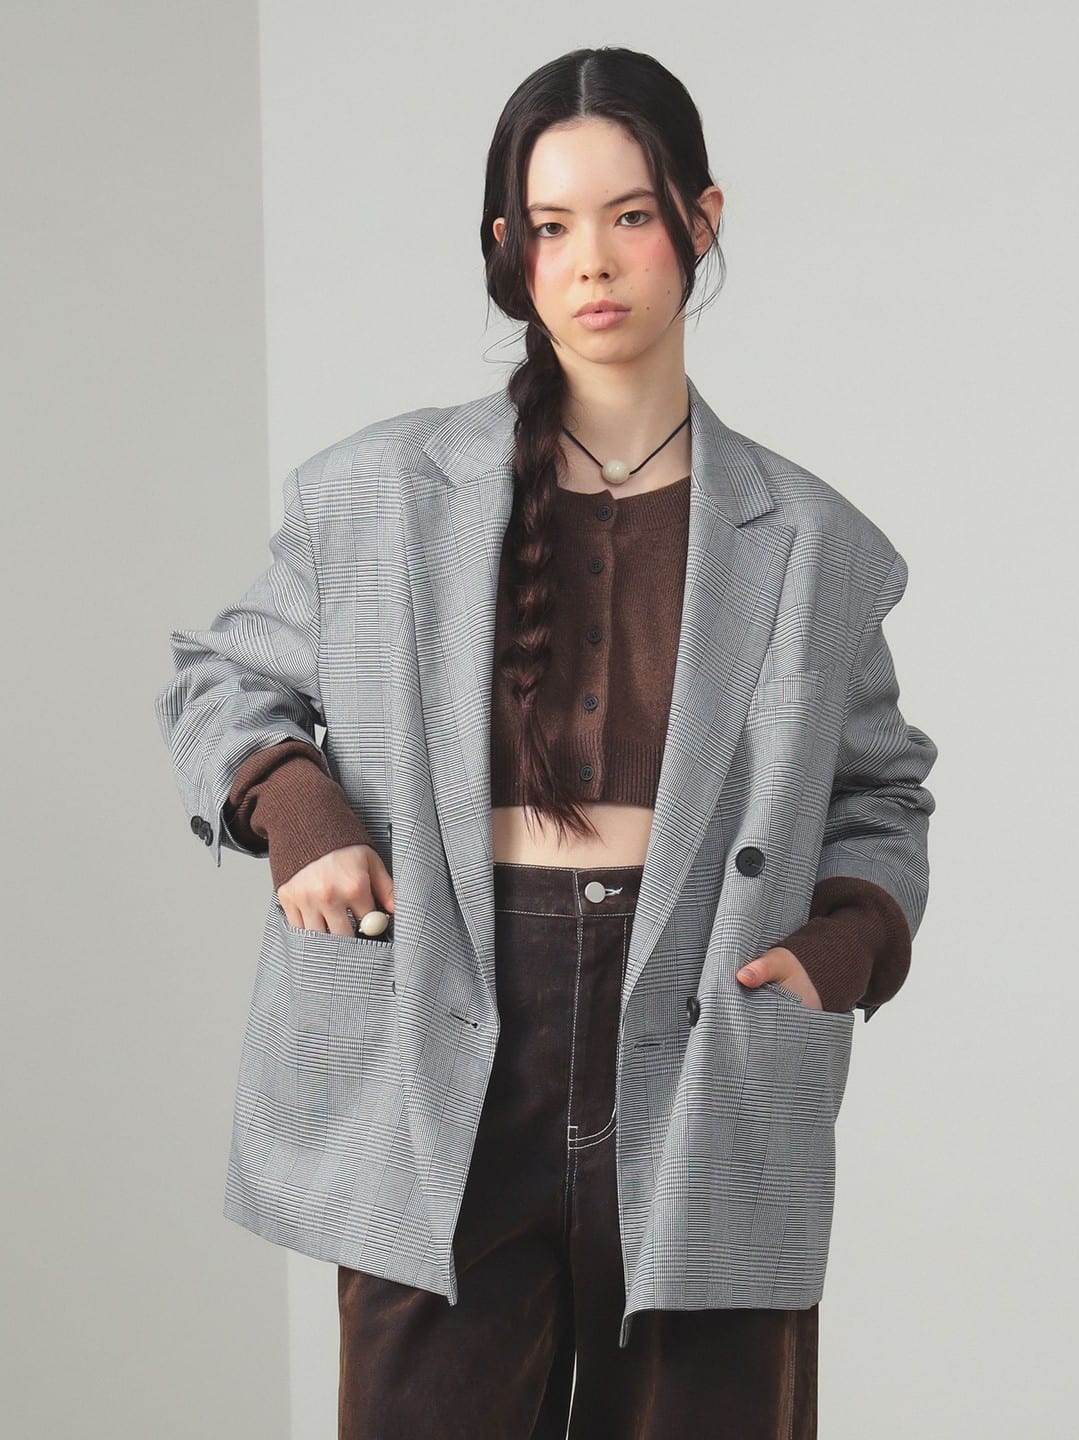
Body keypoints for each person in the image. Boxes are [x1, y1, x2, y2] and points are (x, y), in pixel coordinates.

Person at [155, 45, 937, 1440]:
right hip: (447, 1021)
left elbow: (880, 796)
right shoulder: (383, 494)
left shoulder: (813, 543)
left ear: (701, 221)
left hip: (704, 1028)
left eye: (631, 216)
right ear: (509, 250)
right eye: (551, 225)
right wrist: (301, 815)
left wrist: (845, 948)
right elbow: (224, 682)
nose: (593, 263)